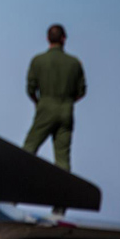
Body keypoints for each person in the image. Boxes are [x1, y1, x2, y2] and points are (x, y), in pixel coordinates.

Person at [22, 24, 86, 172]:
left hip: (45, 106)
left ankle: (18, 176)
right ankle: (63, 190)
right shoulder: (74, 63)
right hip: (66, 110)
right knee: (63, 158)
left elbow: (30, 88)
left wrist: (39, 102)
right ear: (64, 39)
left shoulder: (38, 61)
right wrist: (68, 102)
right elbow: (81, 91)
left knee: (29, 147)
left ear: (47, 38)